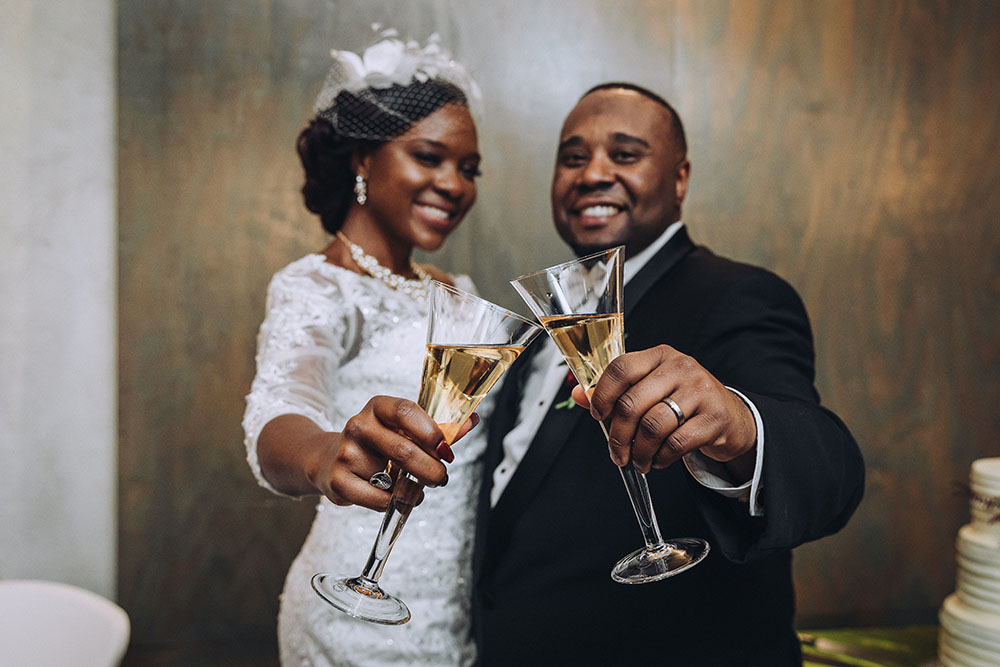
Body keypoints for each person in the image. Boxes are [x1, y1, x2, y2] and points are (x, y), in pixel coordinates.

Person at [471, 83, 866, 665]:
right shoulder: (540, 322)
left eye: (625, 155)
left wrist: (738, 423)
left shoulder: (740, 296)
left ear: (679, 178)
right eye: (573, 158)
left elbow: (828, 471)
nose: (592, 174)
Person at [243, 32, 485, 666]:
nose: (453, 184)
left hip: (458, 614)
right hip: (352, 617)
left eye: (468, 168)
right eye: (429, 157)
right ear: (363, 160)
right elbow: (279, 416)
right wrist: (326, 453)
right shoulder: (319, 286)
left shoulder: (457, 292)